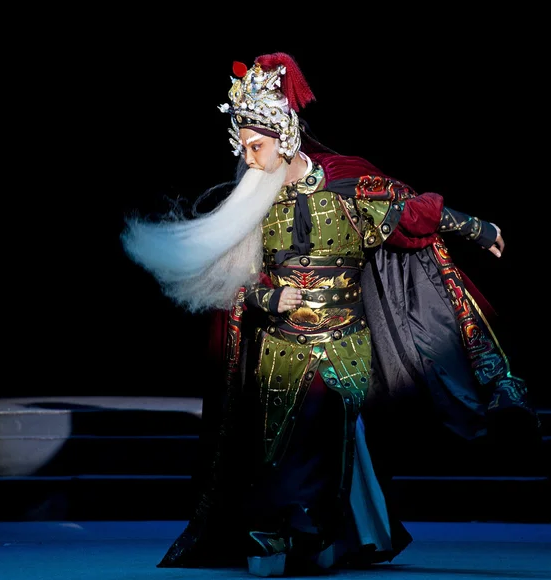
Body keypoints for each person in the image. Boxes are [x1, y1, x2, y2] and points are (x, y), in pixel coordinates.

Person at [120, 52, 539, 577]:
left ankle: (318, 532)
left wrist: (476, 227)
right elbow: (233, 285)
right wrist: (267, 299)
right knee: (277, 443)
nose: (249, 158)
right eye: (242, 147)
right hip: (278, 346)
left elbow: (409, 214)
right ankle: (276, 533)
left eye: (257, 146)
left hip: (345, 340)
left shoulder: (347, 186)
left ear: (286, 136)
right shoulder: (250, 205)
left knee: (331, 434)